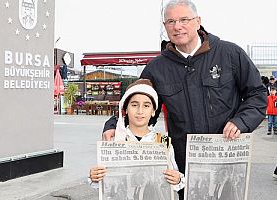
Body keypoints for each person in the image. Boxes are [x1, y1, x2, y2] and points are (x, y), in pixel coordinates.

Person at [102, 1, 267, 198]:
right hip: (182, 161)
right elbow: (137, 103)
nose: (177, 26)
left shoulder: (230, 54)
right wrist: (113, 124)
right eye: (170, 21)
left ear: (198, 22)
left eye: (183, 20)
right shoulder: (157, 68)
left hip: (226, 153)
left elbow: (256, 94)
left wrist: (241, 121)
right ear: (165, 27)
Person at [89, 79, 185, 196]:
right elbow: (105, 183)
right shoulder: (114, 141)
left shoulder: (163, 142)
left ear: (153, 111)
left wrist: (178, 179)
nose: (140, 111)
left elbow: (174, 180)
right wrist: (94, 177)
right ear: (126, 109)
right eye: (134, 105)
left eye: (146, 105)